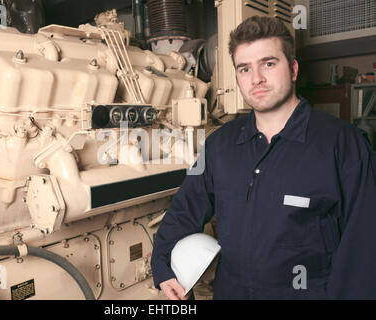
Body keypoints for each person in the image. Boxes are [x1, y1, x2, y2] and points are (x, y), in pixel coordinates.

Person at [151, 15, 376, 300]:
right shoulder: (219, 145)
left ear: (293, 69)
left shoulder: (344, 145)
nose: (256, 78)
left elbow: (363, 248)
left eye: (268, 64)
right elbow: (184, 209)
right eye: (244, 69)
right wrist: (162, 267)